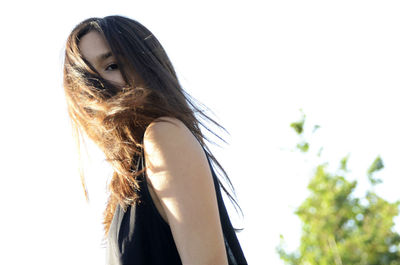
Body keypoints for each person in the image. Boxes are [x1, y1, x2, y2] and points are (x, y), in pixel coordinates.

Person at [63, 15, 247, 265]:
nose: (98, 86)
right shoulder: (125, 184)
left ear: (145, 67)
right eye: (86, 77)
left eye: (111, 66)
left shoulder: (163, 136)